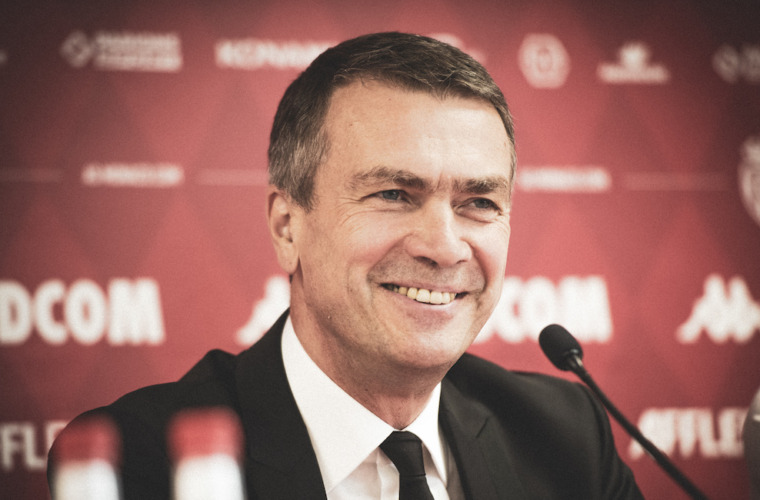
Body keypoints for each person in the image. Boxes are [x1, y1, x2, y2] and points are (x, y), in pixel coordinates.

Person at [48, 32, 643, 499]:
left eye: (479, 203)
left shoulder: (564, 436)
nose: (445, 247)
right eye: (394, 194)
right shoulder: (141, 461)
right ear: (288, 226)